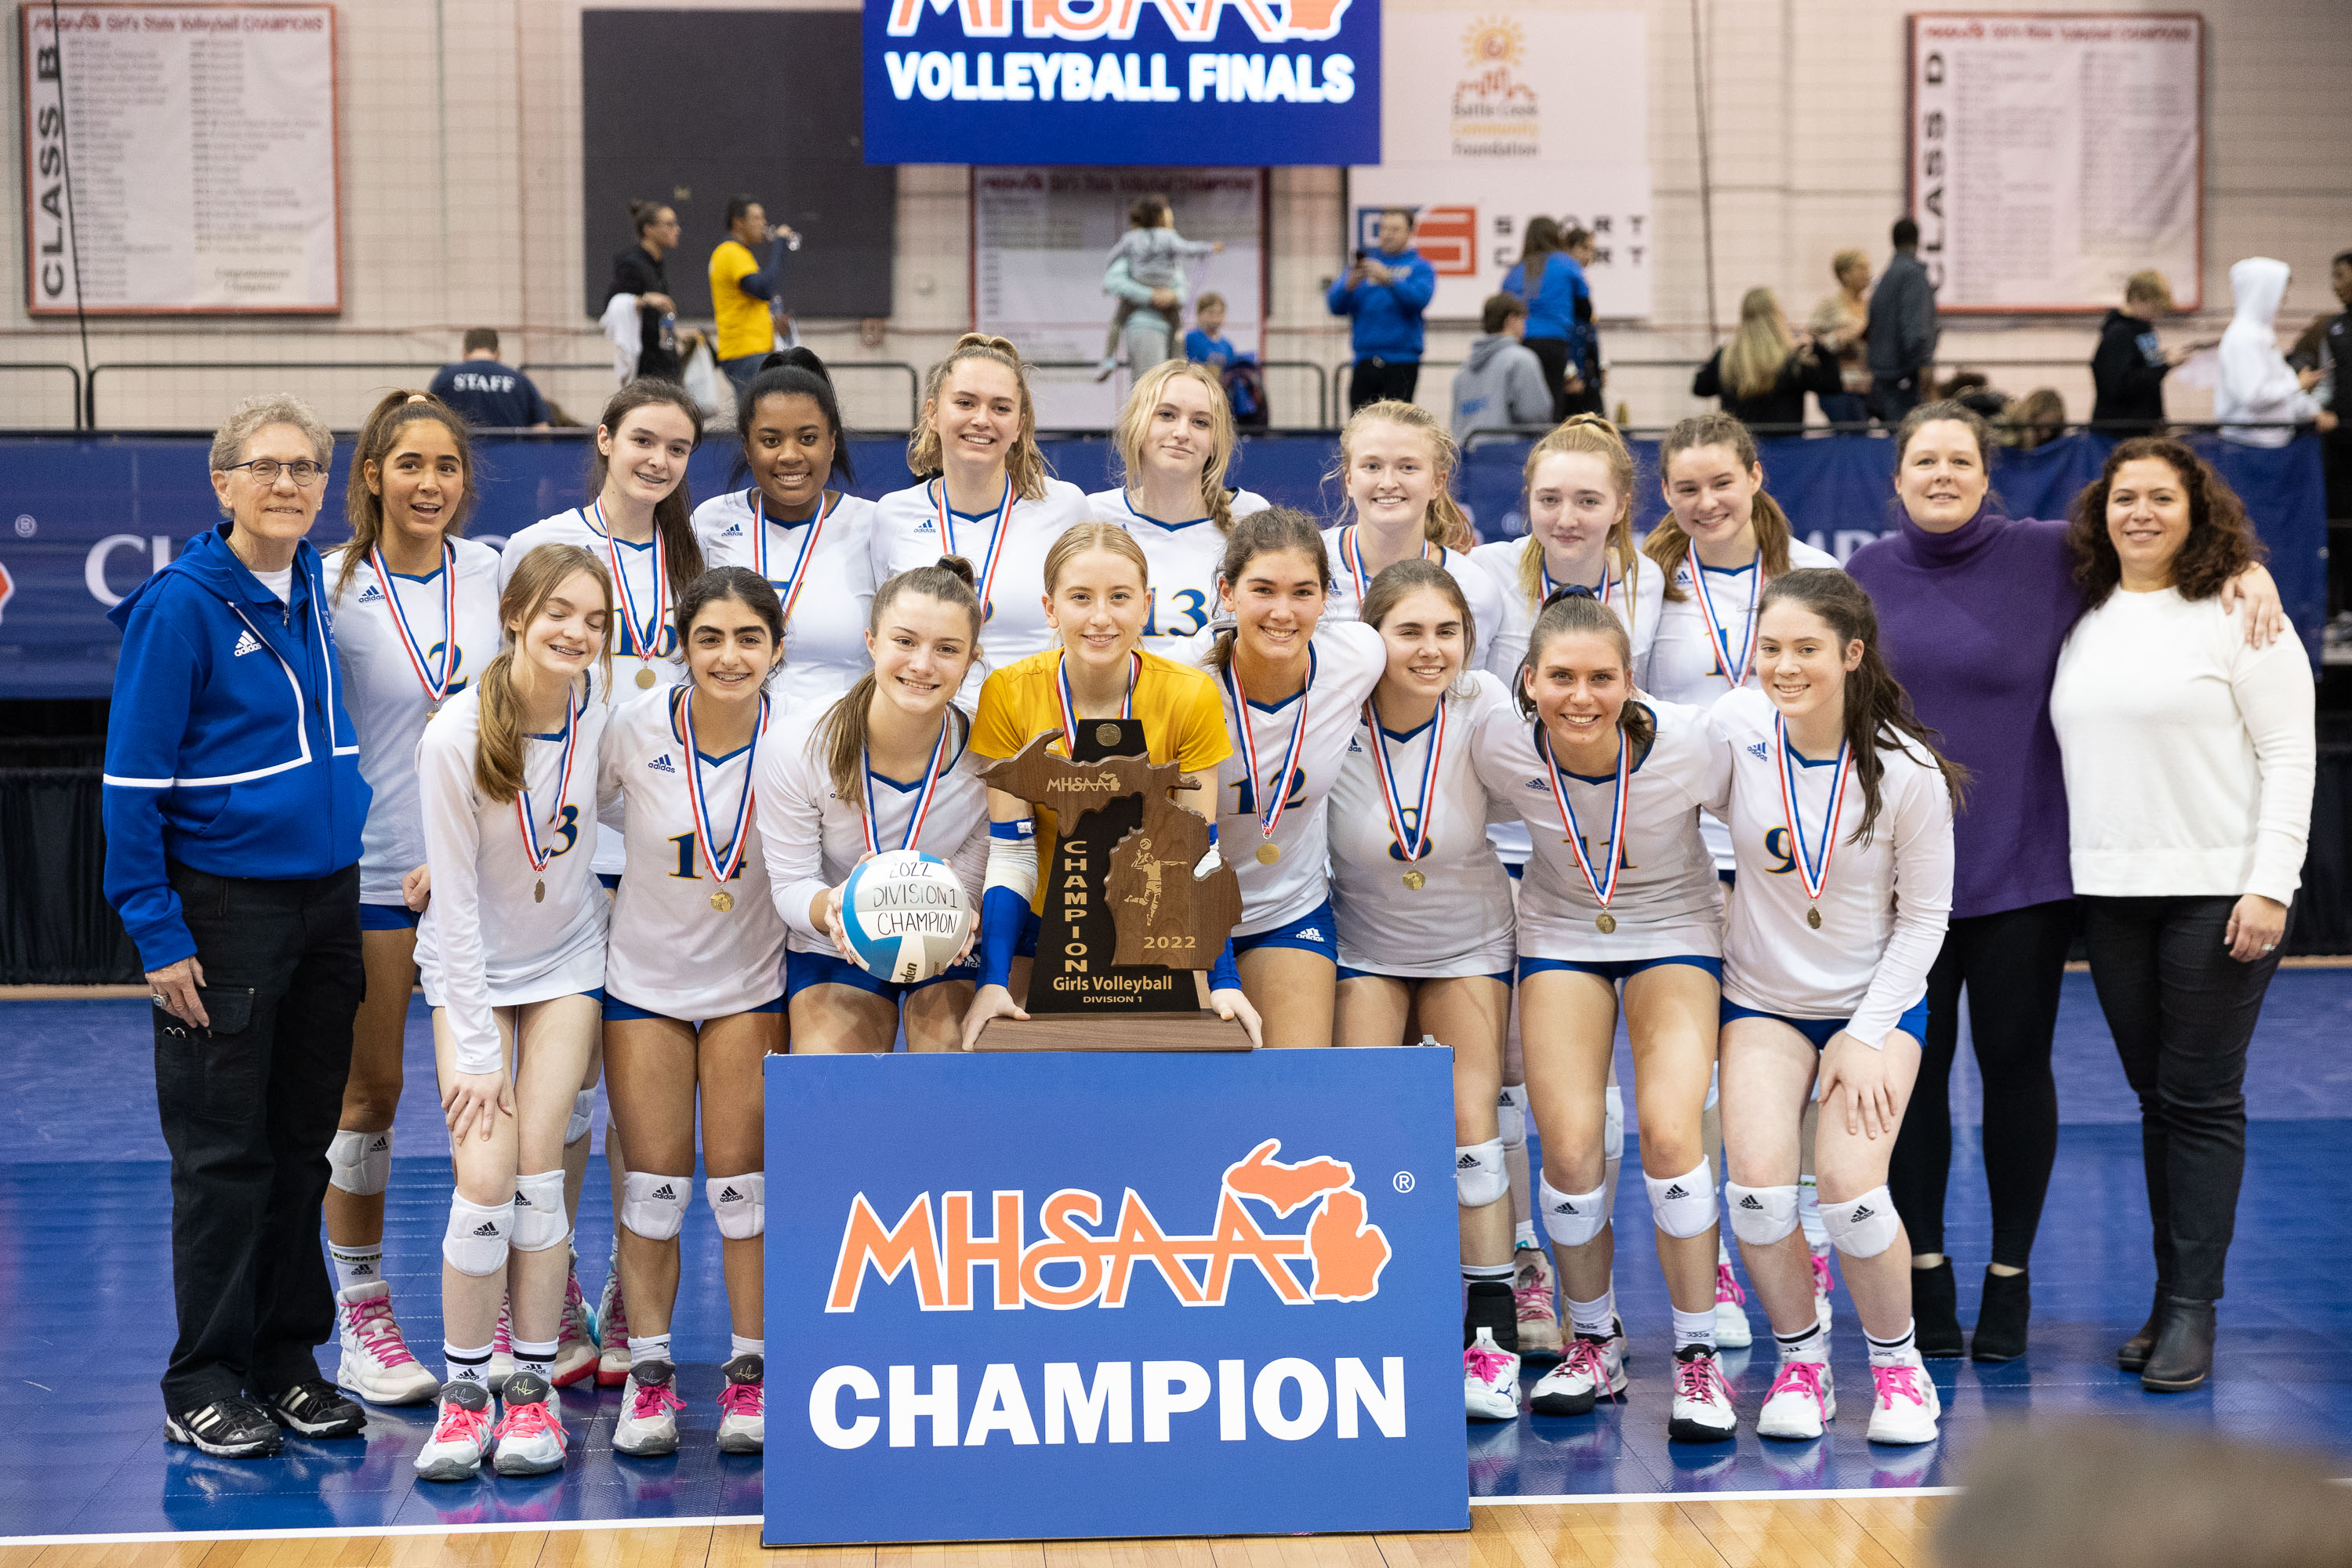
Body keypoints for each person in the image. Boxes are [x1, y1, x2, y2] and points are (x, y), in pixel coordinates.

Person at [1850, 402, 2287, 1362]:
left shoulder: (2049, 554)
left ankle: (2011, 1279)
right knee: (1907, 1085)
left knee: (2016, 1072)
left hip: (2025, 874)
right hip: (1899, 885)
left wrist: (2248, 571)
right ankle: (1925, 1274)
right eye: (1924, 460)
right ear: (1897, 477)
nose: (1941, 475)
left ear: (1985, 472)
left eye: (1959, 460)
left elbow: (2163, 554)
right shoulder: (1867, 574)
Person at [102, 393, 370, 1459]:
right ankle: (202, 1377)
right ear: (221, 483)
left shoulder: (310, 581)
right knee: (223, 1160)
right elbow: (128, 786)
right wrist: (158, 932)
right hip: (224, 913)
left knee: (303, 1147)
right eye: (265, 467)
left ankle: (284, 1359)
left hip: (328, 904)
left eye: (306, 468)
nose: (288, 484)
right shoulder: (183, 606)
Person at [2052, 438, 2315, 1392]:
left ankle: (2194, 1311)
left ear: (2197, 511)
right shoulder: (2082, 613)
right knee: (2157, 1099)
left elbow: (2291, 752)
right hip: (2113, 893)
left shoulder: (2243, 614)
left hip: (2219, 888)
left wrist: (2270, 882)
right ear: (2102, 511)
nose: (2143, 513)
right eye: (2126, 497)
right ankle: (2170, 1299)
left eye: (2164, 497)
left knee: (2201, 1100)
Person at [1472, 589, 1737, 1443]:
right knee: (1574, 1144)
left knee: (1668, 1132)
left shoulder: (1693, 743)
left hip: (1674, 925)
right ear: (1528, 678)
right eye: (1560, 677)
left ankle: (1697, 1352)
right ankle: (1596, 1340)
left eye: (1600, 677)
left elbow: (1778, 814)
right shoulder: (1499, 742)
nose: (1579, 696)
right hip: (1559, 928)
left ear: (1632, 680)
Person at [1713, 569, 1960, 1447]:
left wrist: (1864, 1031)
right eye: (1771, 647)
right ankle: (1802, 1361)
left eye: (1807, 649)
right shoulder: (1733, 737)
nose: (1785, 665)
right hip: (1764, 1004)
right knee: (1756, 1194)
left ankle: (1900, 1366)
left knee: (1853, 1195)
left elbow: (1928, 917)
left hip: (1876, 1006)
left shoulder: (1907, 769)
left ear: (1852, 656)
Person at [499, 377, 706, 1386]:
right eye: (644, 442)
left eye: (677, 448)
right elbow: (501, 701)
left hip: (667, 852)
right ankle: (549, 1286)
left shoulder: (699, 559)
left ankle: (633, 1292)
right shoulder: (541, 543)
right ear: (605, 440)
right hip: (568, 857)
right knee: (566, 1093)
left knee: (640, 1095)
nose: (659, 461)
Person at [408, 543, 613, 1482]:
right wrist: (478, 1047)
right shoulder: (455, 735)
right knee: (484, 1175)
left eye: (595, 618)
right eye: (560, 612)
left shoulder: (601, 716)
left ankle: (530, 1392)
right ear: (517, 617)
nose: (577, 631)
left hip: (569, 960)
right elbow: (448, 905)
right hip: (473, 973)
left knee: (538, 1174)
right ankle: (462, 1394)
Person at [1639, 412, 1842, 1343]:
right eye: (1685, 487)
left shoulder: (1814, 576)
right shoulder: (1647, 580)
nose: (1706, 501)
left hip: (1790, 843)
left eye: (1722, 480)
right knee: (1710, 1066)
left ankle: (1810, 1251)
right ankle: (1720, 1265)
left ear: (1755, 475)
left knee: (1784, 1050)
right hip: (1679, 848)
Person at [322, 392, 504, 1408]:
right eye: (408, 465)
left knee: (510, 1094)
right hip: (379, 868)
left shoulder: (492, 573)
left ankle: (535, 1301)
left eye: (444, 465)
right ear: (373, 477)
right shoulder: (331, 585)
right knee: (374, 1092)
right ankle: (362, 1307)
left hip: (484, 870)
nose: (428, 483)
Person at [1469, 415, 1661, 1353]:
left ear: (1622, 505)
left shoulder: (1648, 580)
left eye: (1588, 499)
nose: (1568, 515)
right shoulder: (1490, 574)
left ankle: (1598, 1284)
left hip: (1601, 844)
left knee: (1592, 1085)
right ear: (1528, 501)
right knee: (1511, 1065)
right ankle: (1522, 1267)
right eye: (1550, 497)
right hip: (1493, 839)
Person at [598, 568, 788, 1459]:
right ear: (684, 644)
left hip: (752, 983)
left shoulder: (802, 736)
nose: (729, 654)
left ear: (777, 650)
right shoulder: (633, 730)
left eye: (749, 637)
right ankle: (650, 1372)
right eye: (709, 636)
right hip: (645, 984)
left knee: (745, 1193)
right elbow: (553, 800)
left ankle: (751, 1372)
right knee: (655, 1189)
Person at [1322, 560, 1515, 1415]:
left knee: (1471, 1125)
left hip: (1469, 943)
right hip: (1366, 944)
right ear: (1372, 639)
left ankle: (1492, 1332)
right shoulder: (1336, 707)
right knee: (1363, 1125)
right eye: (1409, 630)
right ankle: (1384, 1312)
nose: (1430, 649)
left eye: (1447, 630)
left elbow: (1557, 788)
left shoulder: (1483, 704)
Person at [963, 524, 1259, 1048]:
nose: (1101, 617)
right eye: (1080, 597)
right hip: (1037, 923)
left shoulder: (1189, 697)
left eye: (1119, 597)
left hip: (1149, 928)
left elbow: (1197, 852)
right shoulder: (1007, 693)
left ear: (1145, 605)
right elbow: (1012, 851)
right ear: (1050, 608)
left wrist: (1225, 979)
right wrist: (993, 979)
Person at [761, 560, 990, 1054]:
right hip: (833, 937)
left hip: (945, 932)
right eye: (904, 641)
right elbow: (791, 885)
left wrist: (964, 913)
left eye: (947, 649)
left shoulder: (991, 754)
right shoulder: (798, 744)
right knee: (836, 1086)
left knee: (955, 1066)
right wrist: (837, 910)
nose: (922, 665)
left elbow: (973, 877)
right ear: (871, 642)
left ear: (971, 660)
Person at [1179, 509, 1388, 1049]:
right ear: (1227, 593)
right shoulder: (1184, 680)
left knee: (1293, 1082)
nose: (1282, 612)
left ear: (1325, 599)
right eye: (1263, 590)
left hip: (1288, 907)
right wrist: (1219, 973)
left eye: (1302, 592)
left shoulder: (1358, 658)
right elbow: (1184, 844)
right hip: (1182, 913)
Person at [871, 334, 1092, 696]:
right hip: (931, 728)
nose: (981, 419)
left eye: (1001, 408)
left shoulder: (1066, 507)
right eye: (965, 403)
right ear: (932, 413)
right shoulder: (893, 514)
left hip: (1035, 728)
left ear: (1019, 425)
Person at [695, 347, 877, 709]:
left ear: (832, 443)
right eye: (771, 441)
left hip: (839, 742)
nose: (790, 455)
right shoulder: (710, 521)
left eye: (808, 438)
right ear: (748, 448)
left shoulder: (874, 525)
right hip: (736, 739)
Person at [1086, 359, 1271, 655]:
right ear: (1138, 423)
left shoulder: (1250, 515)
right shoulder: (1093, 515)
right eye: (1167, 415)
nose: (1182, 432)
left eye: (1200, 422)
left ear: (1215, 440)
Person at [1323, 399, 1504, 639]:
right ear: (1349, 480)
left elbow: (1465, 676)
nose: (1388, 483)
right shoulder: (1309, 563)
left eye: (1408, 467)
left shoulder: (1472, 589)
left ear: (1437, 483)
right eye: (1372, 466)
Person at [1097, 193, 1220, 379]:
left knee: (1117, 322)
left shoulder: (1131, 239)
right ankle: (1180, 363)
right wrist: (1210, 248)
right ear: (1161, 216)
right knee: (1176, 330)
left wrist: (1171, 296)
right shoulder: (1168, 237)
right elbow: (1188, 249)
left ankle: (1108, 359)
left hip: (1151, 294)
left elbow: (1112, 257)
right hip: (1147, 318)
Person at [2216, 256, 2336, 446]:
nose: (2284, 297)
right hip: (2250, 446)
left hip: (2270, 443)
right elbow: (2253, 396)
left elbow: (2282, 380)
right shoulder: (2244, 337)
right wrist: (2297, 385)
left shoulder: (2262, 334)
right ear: (2263, 291)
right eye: (2280, 289)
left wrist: (2313, 411)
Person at [1329, 209, 1436, 412]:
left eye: (1395, 229)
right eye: (1384, 228)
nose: (1388, 234)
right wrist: (1348, 287)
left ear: (1410, 233)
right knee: (1360, 427)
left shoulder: (1420, 267)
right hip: (1364, 360)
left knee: (1397, 426)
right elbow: (1335, 306)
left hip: (1402, 362)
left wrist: (1389, 280)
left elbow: (1419, 300)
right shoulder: (1363, 266)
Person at [1691, 288, 1844, 427]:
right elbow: (1833, 385)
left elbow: (1700, 388)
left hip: (1740, 446)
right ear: (1777, 315)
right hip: (1787, 447)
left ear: (1744, 315)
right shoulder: (1791, 360)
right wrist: (1820, 349)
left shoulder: (1727, 357)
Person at [708, 195, 797, 406]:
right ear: (738, 223)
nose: (763, 223)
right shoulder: (730, 252)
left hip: (750, 351)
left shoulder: (740, 254)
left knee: (760, 420)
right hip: (746, 352)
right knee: (759, 421)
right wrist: (779, 245)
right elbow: (764, 288)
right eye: (757, 218)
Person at [1501, 218, 1588, 423]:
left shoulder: (1514, 271)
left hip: (1520, 344)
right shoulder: (1567, 264)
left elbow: (1504, 306)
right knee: (1554, 402)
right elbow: (1584, 305)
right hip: (1554, 343)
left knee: (1521, 402)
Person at [2089, 270, 2187, 434]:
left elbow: (2147, 364)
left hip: (2144, 424)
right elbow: (2120, 385)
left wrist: (2167, 357)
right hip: (2120, 429)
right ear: (2136, 298)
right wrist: (2166, 364)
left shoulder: (2145, 329)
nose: (2158, 313)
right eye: (2154, 307)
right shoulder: (2118, 333)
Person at [1451, 293, 1553, 443]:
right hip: (1510, 457)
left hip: (1468, 459)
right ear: (1511, 320)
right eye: (1523, 319)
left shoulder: (1463, 370)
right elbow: (1536, 415)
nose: (1525, 326)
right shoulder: (1521, 360)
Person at [1865, 217, 1938, 423]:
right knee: (1905, 437)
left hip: (1886, 375)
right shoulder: (1912, 275)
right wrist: (1924, 364)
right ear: (1918, 242)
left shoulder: (1887, 277)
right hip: (1904, 376)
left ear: (1893, 241)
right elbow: (1915, 328)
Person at [429, 331, 550, 430]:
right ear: (498, 353)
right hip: (512, 456)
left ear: (464, 352)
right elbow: (542, 429)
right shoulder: (520, 380)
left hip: (463, 455)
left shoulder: (445, 377)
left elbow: (428, 420)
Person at [1807, 250, 1873, 425]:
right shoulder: (1829, 305)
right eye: (1861, 268)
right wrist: (1838, 339)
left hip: (1867, 386)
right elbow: (1809, 344)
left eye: (1868, 268)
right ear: (1845, 275)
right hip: (1840, 388)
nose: (1868, 273)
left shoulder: (1870, 305)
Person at [1559, 227, 1606, 418]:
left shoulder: (1580, 281)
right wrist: (1569, 370)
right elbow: (1565, 325)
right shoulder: (1564, 280)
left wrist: (1600, 365)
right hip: (1572, 361)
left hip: (1587, 363)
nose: (1590, 256)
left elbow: (1589, 327)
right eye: (1586, 249)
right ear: (1572, 248)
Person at [1185, 292, 1237, 371]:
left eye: (1220, 313)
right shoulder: (1190, 338)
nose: (1215, 318)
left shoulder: (1227, 345)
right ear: (1199, 314)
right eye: (1211, 313)